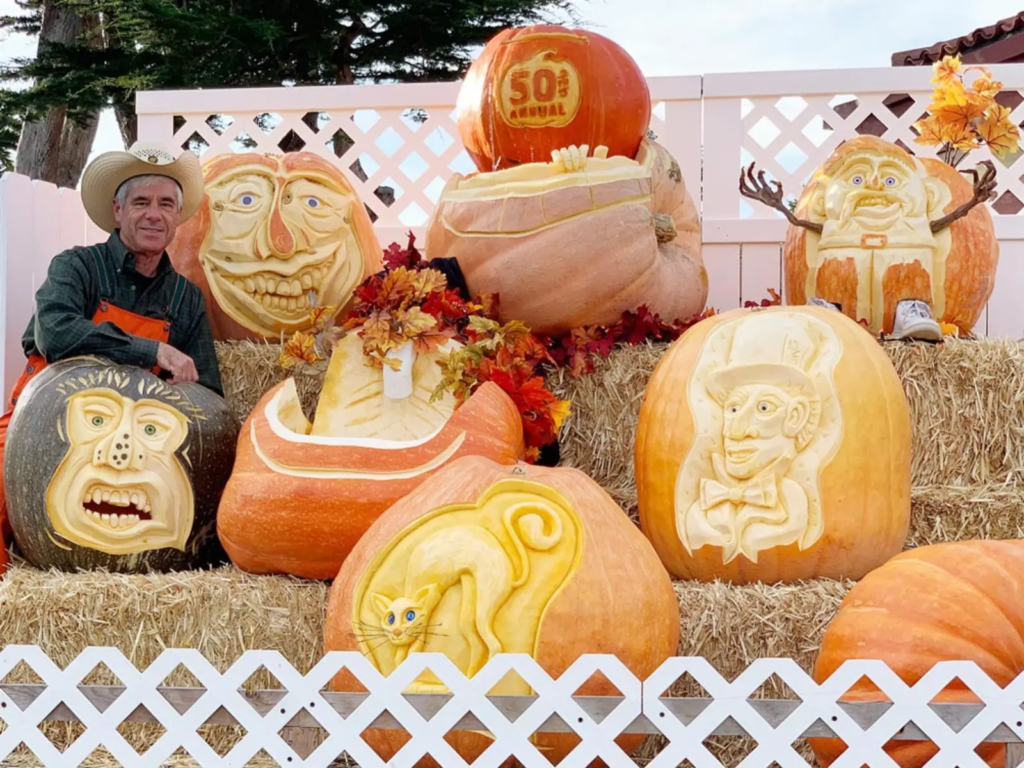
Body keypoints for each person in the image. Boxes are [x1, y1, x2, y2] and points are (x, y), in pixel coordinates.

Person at [0, 141, 223, 534]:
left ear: (178, 217)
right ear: (118, 211)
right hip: (39, 428)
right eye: (141, 202)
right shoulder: (77, 266)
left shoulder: (186, 299)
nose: (154, 215)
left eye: (166, 205)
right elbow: (55, 335)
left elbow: (211, 396)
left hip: (134, 449)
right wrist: (152, 350)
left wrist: (189, 391)